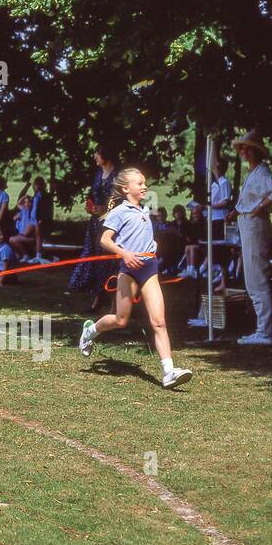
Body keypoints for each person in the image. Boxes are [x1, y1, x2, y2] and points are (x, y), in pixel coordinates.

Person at [79, 168, 192, 389]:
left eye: (144, 183)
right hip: (129, 270)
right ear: (125, 188)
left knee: (159, 321)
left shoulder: (145, 210)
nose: (144, 186)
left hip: (150, 268)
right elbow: (105, 240)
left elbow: (142, 235)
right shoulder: (120, 212)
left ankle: (169, 372)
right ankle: (90, 332)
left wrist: (153, 245)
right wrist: (125, 254)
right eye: (139, 183)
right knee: (120, 320)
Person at [227, 130, 272, 345]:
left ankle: (265, 332)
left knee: (256, 278)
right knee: (253, 277)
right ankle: (263, 328)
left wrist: (257, 209)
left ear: (255, 151)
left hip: (255, 227)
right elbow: (251, 198)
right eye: (241, 147)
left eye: (246, 147)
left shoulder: (261, 172)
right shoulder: (254, 173)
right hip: (249, 225)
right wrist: (236, 212)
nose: (243, 151)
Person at [68, 144, 120, 312]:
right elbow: (93, 195)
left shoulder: (118, 175)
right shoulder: (98, 174)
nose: (94, 156)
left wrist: (106, 209)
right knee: (96, 261)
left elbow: (120, 199)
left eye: (97, 153)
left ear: (105, 154)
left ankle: (115, 305)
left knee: (111, 263)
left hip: (112, 224)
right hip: (96, 224)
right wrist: (90, 207)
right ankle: (98, 299)